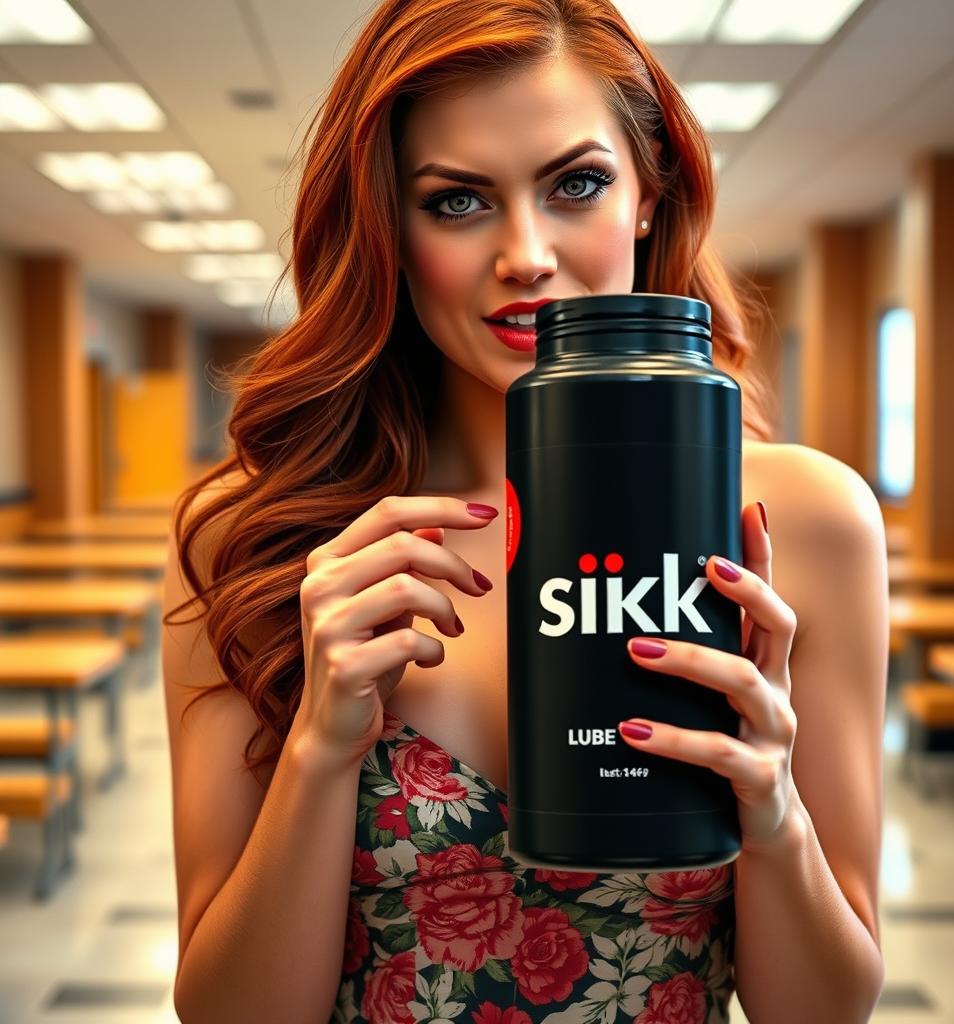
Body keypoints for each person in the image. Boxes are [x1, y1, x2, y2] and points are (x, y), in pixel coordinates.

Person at [163, 1, 888, 1021]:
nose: (526, 255)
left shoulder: (804, 522)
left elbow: (823, 1011)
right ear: (389, 229)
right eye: (457, 202)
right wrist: (321, 748)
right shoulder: (259, 536)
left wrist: (773, 813)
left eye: (575, 184)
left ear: (649, 191)